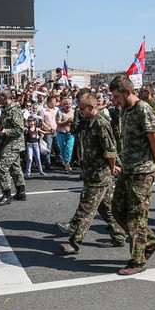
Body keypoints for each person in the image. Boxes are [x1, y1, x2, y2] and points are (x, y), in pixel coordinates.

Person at [57, 92, 126, 254]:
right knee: (106, 208)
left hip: (99, 174)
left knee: (86, 209)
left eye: (81, 109)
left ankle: (74, 243)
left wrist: (112, 167)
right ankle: (119, 235)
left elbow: (110, 149)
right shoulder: (90, 121)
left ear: (90, 107)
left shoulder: (100, 123)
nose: (79, 112)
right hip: (92, 172)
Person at [109, 75, 155, 275]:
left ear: (127, 92)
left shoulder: (143, 109)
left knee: (137, 216)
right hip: (128, 170)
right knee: (117, 209)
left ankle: (138, 260)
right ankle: (151, 241)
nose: (114, 101)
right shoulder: (125, 110)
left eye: (116, 96)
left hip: (142, 171)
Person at [0, 89, 27, 206]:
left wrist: (5, 131)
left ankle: (7, 194)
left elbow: (19, 129)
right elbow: (3, 121)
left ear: (5, 97)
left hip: (13, 143)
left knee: (2, 166)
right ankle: (21, 192)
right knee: (15, 167)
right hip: (8, 142)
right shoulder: (5, 110)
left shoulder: (14, 110)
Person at [55, 98, 75, 174]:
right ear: (62, 105)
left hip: (71, 133)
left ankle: (67, 164)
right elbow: (58, 123)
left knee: (69, 149)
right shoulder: (60, 112)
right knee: (63, 150)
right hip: (61, 133)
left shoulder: (73, 112)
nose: (68, 105)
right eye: (66, 104)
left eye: (69, 104)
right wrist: (67, 122)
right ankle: (66, 164)